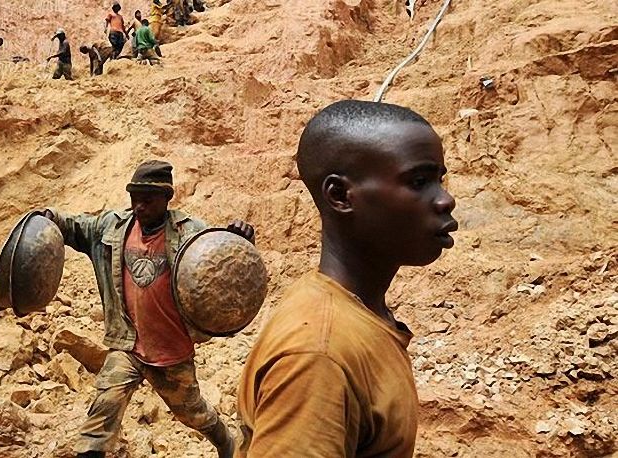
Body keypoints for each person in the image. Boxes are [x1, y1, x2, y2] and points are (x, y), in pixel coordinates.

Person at [236, 100, 458, 457]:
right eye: (419, 181)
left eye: (438, 180)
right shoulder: (318, 355)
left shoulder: (355, 316)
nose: (445, 200)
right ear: (340, 196)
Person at [39, 160, 253, 458]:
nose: (139, 206)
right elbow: (75, 227)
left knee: (193, 414)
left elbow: (227, 263)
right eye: (134, 198)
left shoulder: (190, 233)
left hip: (170, 351)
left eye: (148, 199)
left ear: (168, 197)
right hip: (129, 344)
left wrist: (240, 239)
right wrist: (49, 218)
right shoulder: (112, 227)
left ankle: (225, 443)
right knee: (104, 408)